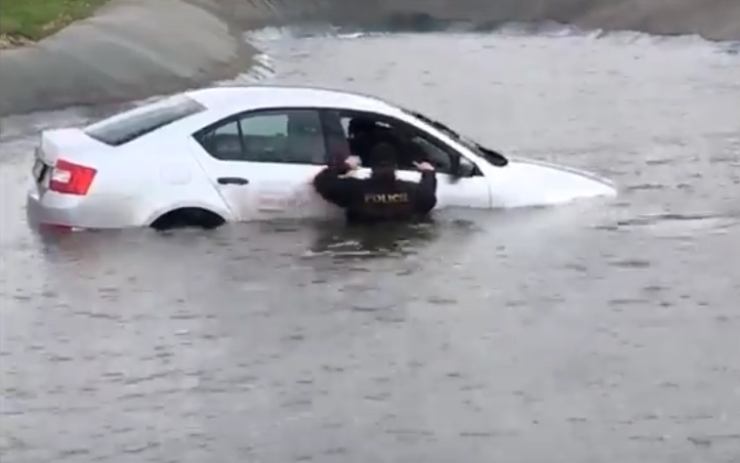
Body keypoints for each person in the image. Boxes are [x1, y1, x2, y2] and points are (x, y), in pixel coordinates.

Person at [313, 141, 438, 223]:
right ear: (395, 166)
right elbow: (429, 197)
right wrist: (428, 173)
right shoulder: (412, 192)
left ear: (371, 166)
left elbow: (321, 182)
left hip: (361, 250)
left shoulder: (354, 190)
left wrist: (344, 166)